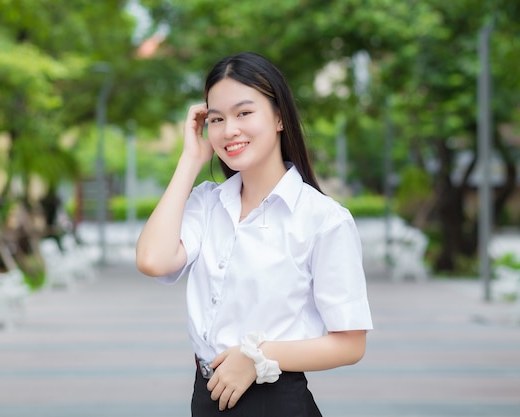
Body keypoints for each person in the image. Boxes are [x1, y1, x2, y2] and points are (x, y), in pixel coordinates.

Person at [136, 51, 373, 416]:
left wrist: (257, 356)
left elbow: (350, 345)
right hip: (208, 397)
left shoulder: (323, 220)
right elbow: (152, 260)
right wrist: (190, 160)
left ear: (279, 117)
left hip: (273, 400)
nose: (229, 130)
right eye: (216, 118)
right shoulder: (207, 203)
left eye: (244, 113)